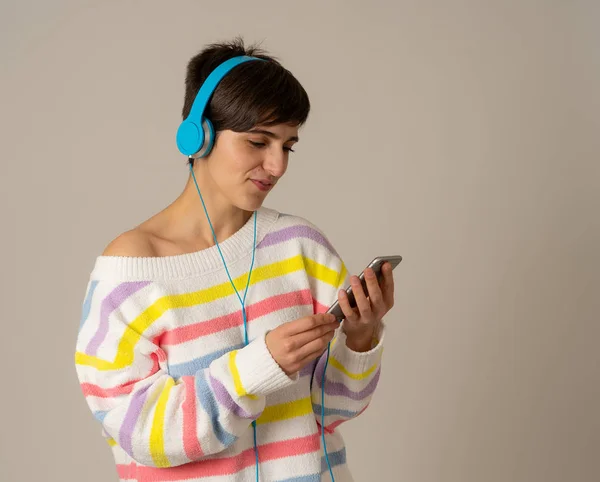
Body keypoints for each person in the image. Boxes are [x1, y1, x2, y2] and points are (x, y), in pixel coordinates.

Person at [74, 37, 395, 482]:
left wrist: (361, 337)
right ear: (199, 134)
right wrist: (258, 367)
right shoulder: (131, 272)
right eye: (258, 141)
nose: (277, 165)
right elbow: (143, 436)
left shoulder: (302, 248)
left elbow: (333, 410)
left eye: (288, 145)